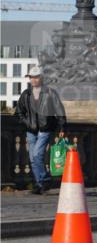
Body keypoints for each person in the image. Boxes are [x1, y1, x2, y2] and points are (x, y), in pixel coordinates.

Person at [15, 65, 66, 195]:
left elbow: (59, 109)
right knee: (32, 158)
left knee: (37, 155)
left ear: (41, 78)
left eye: (36, 77)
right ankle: (39, 185)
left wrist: (62, 126)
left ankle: (45, 179)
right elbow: (19, 112)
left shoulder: (49, 92)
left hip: (45, 128)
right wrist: (27, 123)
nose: (33, 80)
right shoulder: (26, 94)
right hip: (31, 130)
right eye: (31, 77)